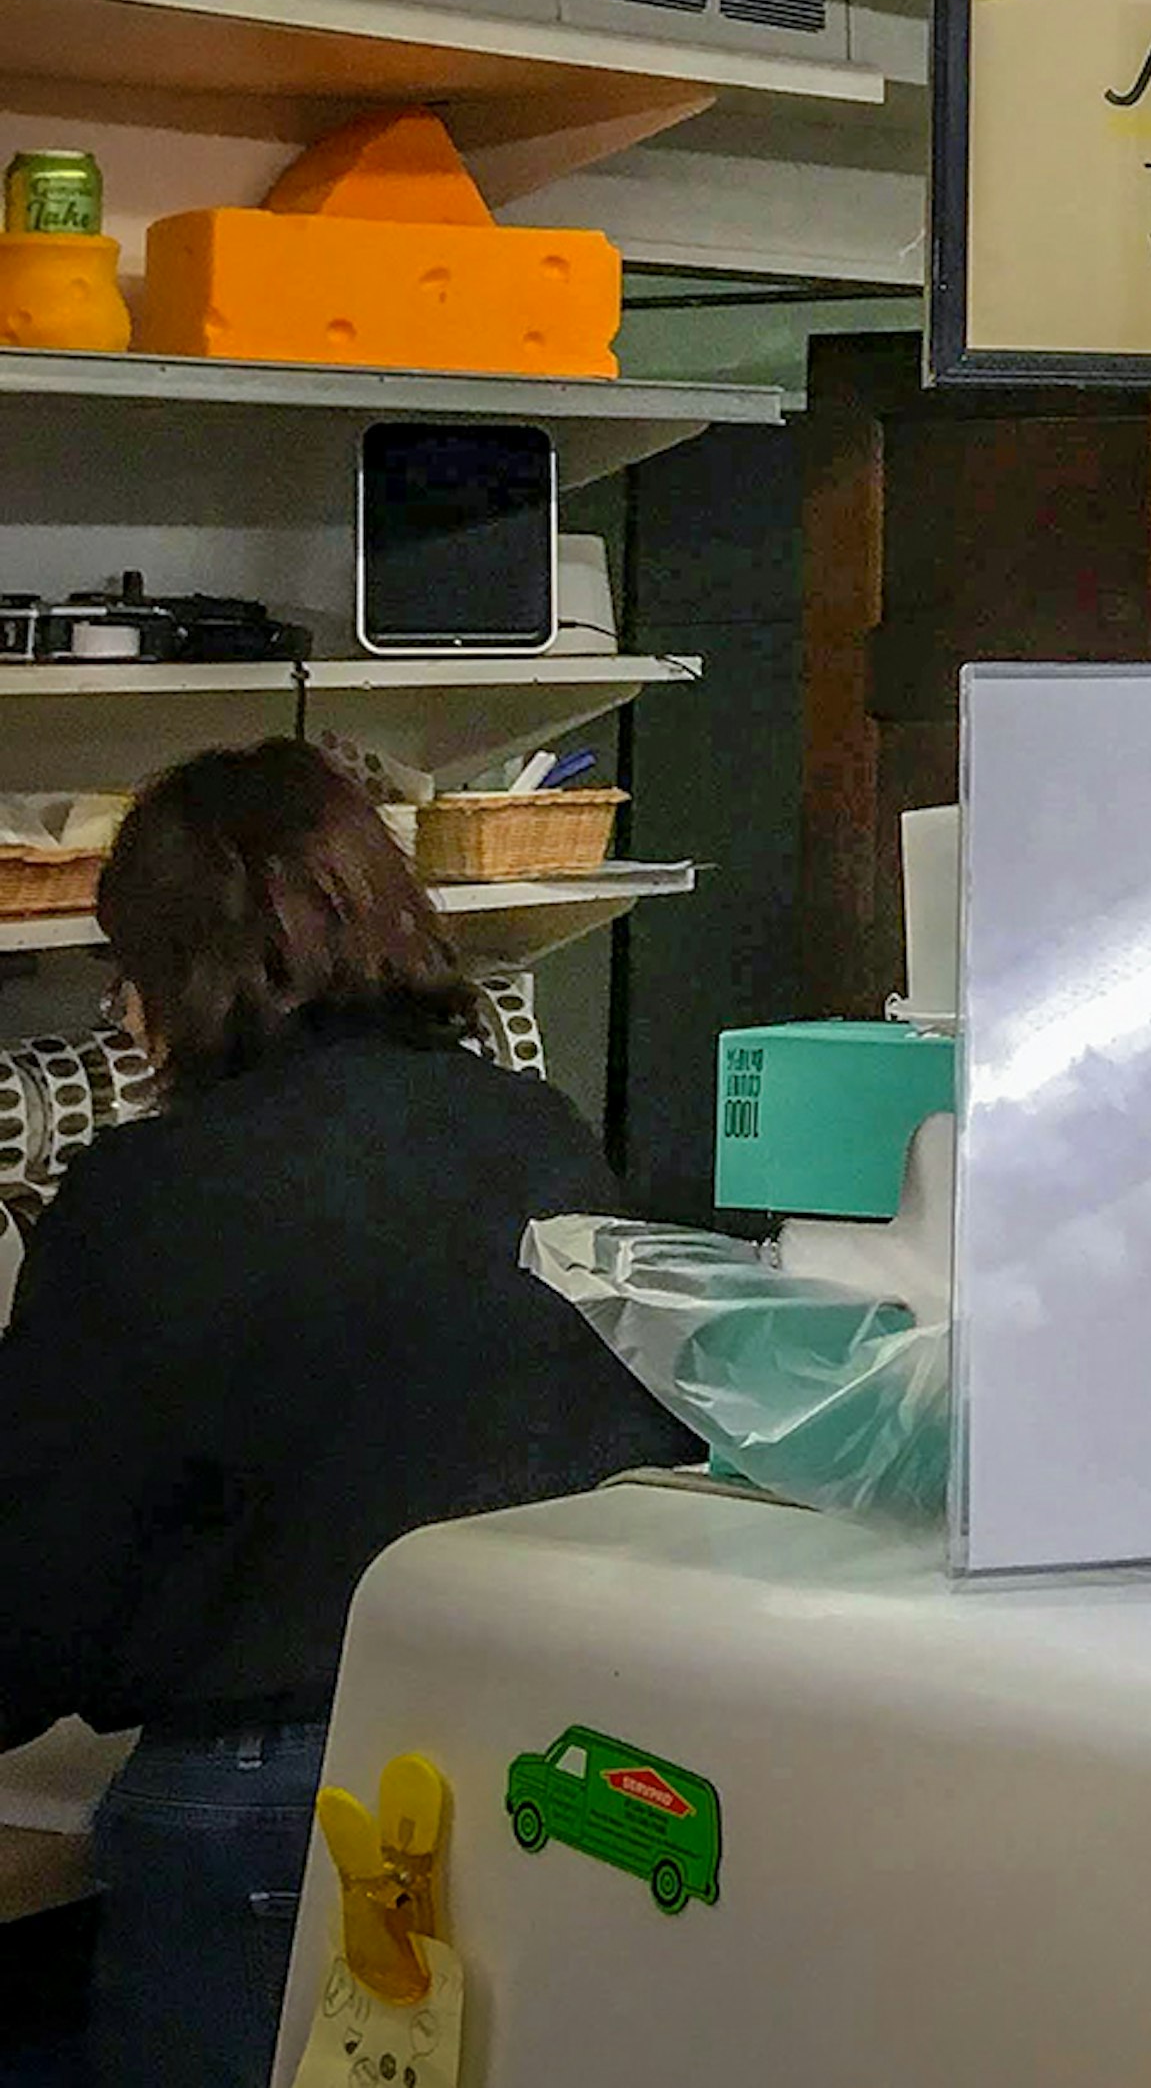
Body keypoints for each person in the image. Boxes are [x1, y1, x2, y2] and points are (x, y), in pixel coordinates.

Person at [0, 741, 683, 2085]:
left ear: (165, 980)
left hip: (274, 1814)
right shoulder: (537, 1135)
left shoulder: (151, 1195)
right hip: (537, 1773)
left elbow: (36, 1586)